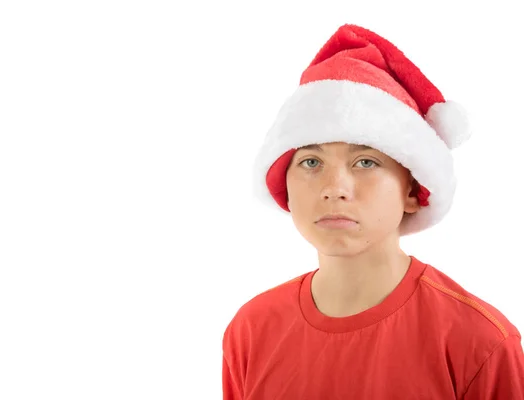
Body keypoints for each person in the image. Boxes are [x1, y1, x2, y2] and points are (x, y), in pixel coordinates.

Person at [222, 24, 524, 399]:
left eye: (365, 162)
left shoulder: (479, 341)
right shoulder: (251, 329)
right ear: (284, 185)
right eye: (311, 162)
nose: (334, 189)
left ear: (413, 190)